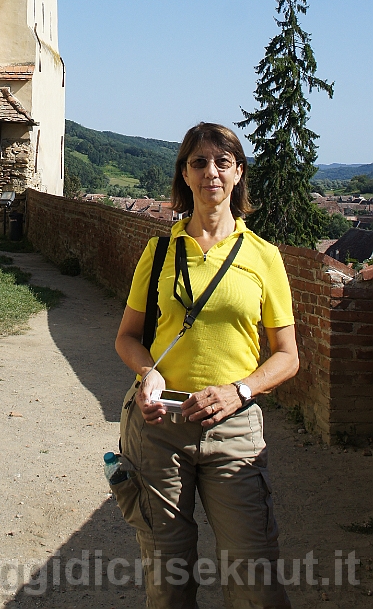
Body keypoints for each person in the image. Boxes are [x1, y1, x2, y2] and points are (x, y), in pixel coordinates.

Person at [115, 122, 298, 609]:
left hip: (233, 426)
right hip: (160, 427)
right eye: (198, 162)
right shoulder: (159, 253)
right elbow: (127, 337)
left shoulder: (264, 257)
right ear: (184, 173)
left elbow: (287, 356)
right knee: (168, 577)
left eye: (222, 162)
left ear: (238, 174)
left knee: (253, 575)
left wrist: (239, 390)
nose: (210, 172)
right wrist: (147, 373)